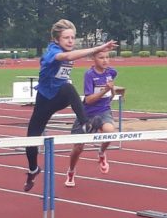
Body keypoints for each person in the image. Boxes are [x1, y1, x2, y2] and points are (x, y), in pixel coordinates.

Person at [24, 20, 116, 191]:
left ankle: (85, 123)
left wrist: (100, 51)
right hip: (45, 101)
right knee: (31, 140)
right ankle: (33, 170)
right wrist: (98, 48)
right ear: (56, 39)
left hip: (60, 97)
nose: (70, 41)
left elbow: (74, 56)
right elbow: (67, 57)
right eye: (66, 38)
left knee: (68, 87)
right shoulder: (53, 51)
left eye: (73, 37)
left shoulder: (69, 51)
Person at [64, 50, 122, 187]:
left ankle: (101, 153)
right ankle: (71, 171)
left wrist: (111, 92)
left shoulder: (112, 72)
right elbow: (89, 100)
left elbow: (111, 92)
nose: (105, 60)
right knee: (78, 147)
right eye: (101, 58)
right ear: (94, 59)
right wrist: (105, 90)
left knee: (110, 132)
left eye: (107, 57)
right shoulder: (89, 75)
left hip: (103, 111)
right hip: (87, 113)